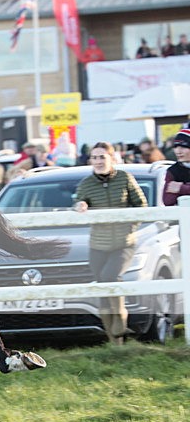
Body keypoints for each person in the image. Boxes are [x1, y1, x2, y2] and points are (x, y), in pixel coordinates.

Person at [74, 142, 148, 345]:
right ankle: (116, 343)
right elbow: (79, 201)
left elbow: (141, 205)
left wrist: (131, 226)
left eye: (102, 157)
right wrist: (80, 205)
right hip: (98, 244)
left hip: (124, 242)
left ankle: (120, 324)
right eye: (94, 158)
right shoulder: (86, 183)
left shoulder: (125, 178)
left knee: (111, 277)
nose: (98, 161)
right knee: (102, 288)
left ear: (112, 158)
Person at [161, 128, 190, 206]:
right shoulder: (173, 170)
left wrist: (181, 188)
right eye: (176, 147)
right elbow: (168, 201)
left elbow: (177, 189)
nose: (178, 151)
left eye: (183, 147)